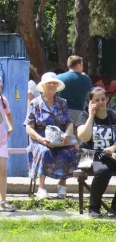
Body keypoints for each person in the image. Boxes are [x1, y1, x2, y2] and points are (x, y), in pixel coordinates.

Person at [76, 86, 116, 218]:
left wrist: (114, 148)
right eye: (97, 100)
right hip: (89, 154)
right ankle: (94, 208)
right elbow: (84, 137)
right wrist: (91, 115)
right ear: (90, 102)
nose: (101, 102)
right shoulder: (84, 115)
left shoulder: (114, 116)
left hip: (111, 154)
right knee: (104, 171)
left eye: (103, 99)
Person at [24, 72, 79, 200]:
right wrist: (41, 140)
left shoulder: (62, 103)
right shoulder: (35, 103)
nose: (52, 85)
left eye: (54, 83)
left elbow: (69, 123)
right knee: (44, 151)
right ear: (43, 86)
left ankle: (62, 185)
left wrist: (67, 134)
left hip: (59, 139)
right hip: (40, 140)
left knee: (68, 150)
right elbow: (28, 127)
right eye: (49, 83)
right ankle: (41, 187)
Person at [57, 55, 93, 122]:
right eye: (82, 65)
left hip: (62, 112)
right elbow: (90, 96)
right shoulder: (87, 79)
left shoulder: (58, 78)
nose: (82, 67)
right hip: (79, 113)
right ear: (78, 66)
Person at [0, 77, 15, 211]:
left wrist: (11, 126)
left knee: (3, 170)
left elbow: (8, 114)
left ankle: (3, 201)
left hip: (1, 141)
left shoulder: (3, 101)